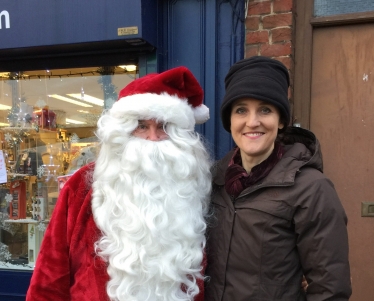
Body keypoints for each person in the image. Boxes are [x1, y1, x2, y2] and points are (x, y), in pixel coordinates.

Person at [26, 66, 212, 301]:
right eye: (142, 126)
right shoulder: (83, 186)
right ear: (122, 131)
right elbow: (50, 276)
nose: (153, 138)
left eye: (164, 127)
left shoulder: (192, 189)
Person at [204, 56, 352, 300]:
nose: (252, 122)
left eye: (265, 109)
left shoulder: (311, 189)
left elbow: (330, 288)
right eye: (241, 110)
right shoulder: (213, 180)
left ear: (281, 120)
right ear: (229, 120)